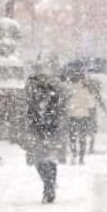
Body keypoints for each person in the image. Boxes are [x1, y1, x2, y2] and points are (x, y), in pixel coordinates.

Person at [25, 55, 67, 203]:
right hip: (38, 126)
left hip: (49, 126)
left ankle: (48, 187)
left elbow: (61, 103)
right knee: (40, 158)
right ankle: (49, 185)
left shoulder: (55, 85)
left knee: (47, 157)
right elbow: (28, 104)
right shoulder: (31, 84)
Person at [64, 65, 103, 165]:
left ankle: (73, 154)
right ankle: (81, 158)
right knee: (82, 138)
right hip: (84, 116)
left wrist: (71, 107)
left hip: (72, 116)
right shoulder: (86, 91)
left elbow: (66, 104)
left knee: (72, 137)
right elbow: (91, 104)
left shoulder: (69, 90)